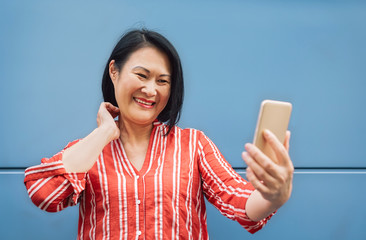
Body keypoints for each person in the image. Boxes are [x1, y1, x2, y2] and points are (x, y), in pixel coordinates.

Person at [24, 29, 294, 239]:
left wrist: (273, 196)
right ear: (114, 71)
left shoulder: (194, 145)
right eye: (141, 75)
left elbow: (241, 202)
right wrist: (105, 131)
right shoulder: (88, 152)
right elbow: (44, 194)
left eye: (162, 81)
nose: (151, 90)